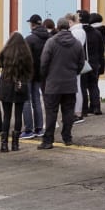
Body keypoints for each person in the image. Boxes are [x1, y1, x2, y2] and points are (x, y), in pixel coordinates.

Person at [38, 17, 85, 150]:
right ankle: (67, 138)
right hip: (70, 83)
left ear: (58, 27)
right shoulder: (76, 44)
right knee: (68, 112)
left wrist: (46, 76)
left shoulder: (51, 42)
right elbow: (81, 63)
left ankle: (48, 141)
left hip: (53, 83)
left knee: (51, 112)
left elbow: (44, 62)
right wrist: (73, 73)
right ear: (68, 27)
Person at [0, 32, 34, 153]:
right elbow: (29, 71)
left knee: (6, 116)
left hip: (6, 84)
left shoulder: (5, 52)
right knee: (18, 115)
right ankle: (15, 144)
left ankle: (4, 144)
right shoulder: (26, 54)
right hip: (20, 86)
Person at [20, 14, 48, 140]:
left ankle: (28, 129)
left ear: (32, 24)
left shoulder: (29, 39)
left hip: (28, 74)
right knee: (37, 100)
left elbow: (24, 57)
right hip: (40, 74)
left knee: (26, 100)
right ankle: (39, 128)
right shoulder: (48, 38)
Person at [79, 10, 105, 116]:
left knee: (83, 86)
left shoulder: (80, 32)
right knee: (94, 85)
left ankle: (84, 109)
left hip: (84, 62)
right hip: (95, 62)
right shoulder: (97, 32)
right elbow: (101, 48)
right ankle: (96, 107)